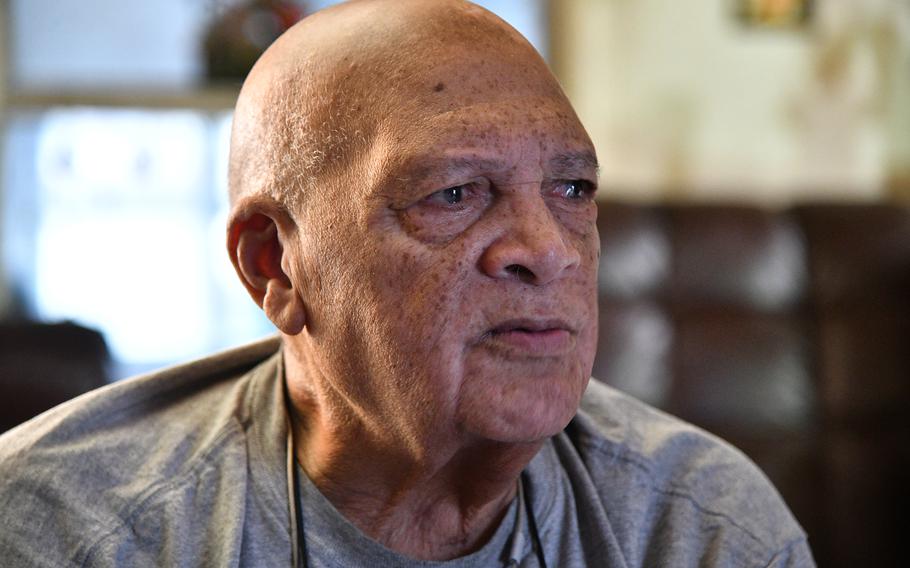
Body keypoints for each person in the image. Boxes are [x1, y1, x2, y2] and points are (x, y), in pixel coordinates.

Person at [0, 1, 814, 566]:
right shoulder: (71, 531)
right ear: (273, 265)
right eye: (454, 194)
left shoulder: (704, 531)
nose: (548, 250)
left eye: (573, 190)